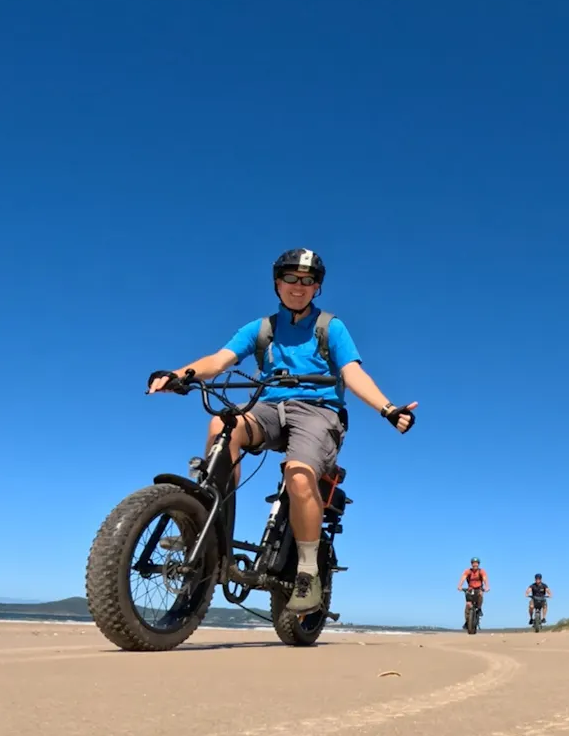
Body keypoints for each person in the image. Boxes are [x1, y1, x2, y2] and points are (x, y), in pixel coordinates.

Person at [147, 248, 417, 614]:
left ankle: (307, 570)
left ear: (316, 288)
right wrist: (179, 375)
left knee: (299, 474)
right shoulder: (262, 329)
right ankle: (206, 524)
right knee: (221, 425)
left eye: (308, 280)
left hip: (318, 410)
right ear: (277, 283)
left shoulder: (330, 327)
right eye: (290, 278)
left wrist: (387, 408)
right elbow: (218, 361)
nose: (298, 286)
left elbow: (352, 372)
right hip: (268, 407)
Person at [459, 557, 489, 628]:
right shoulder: (468, 571)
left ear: (478, 564)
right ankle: (467, 622)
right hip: (470, 589)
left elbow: (485, 578)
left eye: (476, 563)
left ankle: (479, 608)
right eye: (473, 563)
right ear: (471, 564)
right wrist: (460, 585)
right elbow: (463, 578)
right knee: (468, 605)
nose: (475, 564)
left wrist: (487, 586)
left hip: (478, 589)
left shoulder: (481, 571)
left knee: (481, 594)